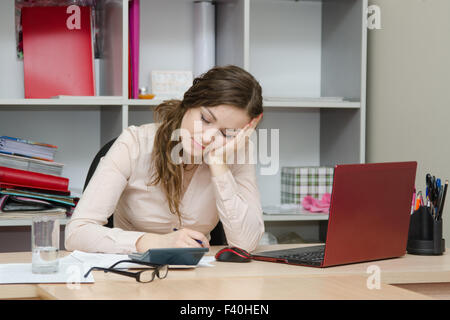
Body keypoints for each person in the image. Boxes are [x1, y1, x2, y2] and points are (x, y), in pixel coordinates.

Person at [65, 65, 265, 254]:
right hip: (132, 275)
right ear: (189, 103)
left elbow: (246, 244)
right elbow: (76, 233)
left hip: (199, 280)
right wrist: (152, 242)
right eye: (205, 119)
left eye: (227, 133)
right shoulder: (134, 144)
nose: (207, 138)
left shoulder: (237, 152)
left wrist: (218, 163)